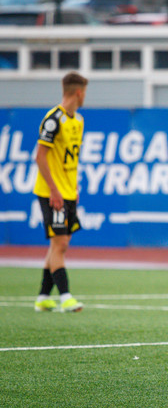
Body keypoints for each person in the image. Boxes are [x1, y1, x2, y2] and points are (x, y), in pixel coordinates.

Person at [33, 71, 88, 314]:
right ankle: (65, 297)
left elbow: (71, 160)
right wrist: (54, 191)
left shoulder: (78, 121)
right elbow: (40, 157)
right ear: (79, 92)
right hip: (51, 192)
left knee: (59, 244)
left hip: (68, 191)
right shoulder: (53, 119)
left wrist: (73, 188)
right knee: (61, 243)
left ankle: (43, 297)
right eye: (84, 92)